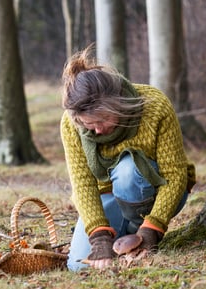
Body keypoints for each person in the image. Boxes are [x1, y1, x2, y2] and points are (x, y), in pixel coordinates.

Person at [60, 48, 196, 270]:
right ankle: (121, 241)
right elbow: (83, 184)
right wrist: (99, 236)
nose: (96, 130)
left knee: (128, 169)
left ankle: (138, 232)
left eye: (102, 120)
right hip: (110, 196)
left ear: (117, 103)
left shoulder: (154, 106)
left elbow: (174, 175)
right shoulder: (71, 123)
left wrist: (153, 227)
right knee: (79, 266)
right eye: (88, 124)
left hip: (156, 190)